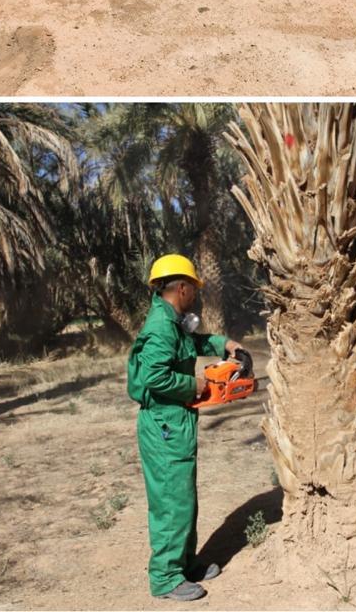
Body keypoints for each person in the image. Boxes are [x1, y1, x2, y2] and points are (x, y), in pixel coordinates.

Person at [127, 254, 244, 602]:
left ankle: (184, 563)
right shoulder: (161, 326)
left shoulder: (172, 320)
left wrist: (225, 344)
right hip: (163, 423)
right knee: (171, 500)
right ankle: (164, 577)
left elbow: (194, 343)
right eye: (193, 289)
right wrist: (195, 385)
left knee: (184, 497)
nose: (195, 295)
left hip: (174, 421)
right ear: (181, 288)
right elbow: (153, 375)